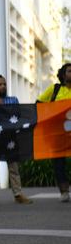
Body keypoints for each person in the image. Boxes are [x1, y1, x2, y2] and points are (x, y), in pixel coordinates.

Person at [0, 75, 33, 205]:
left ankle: (18, 194)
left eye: (4, 84)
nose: (3, 86)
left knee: (14, 168)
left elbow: (19, 120)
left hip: (11, 140)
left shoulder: (13, 101)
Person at [36, 63, 71, 202]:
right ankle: (64, 191)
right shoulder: (55, 89)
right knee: (58, 162)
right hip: (58, 133)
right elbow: (39, 103)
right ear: (63, 74)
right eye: (69, 71)